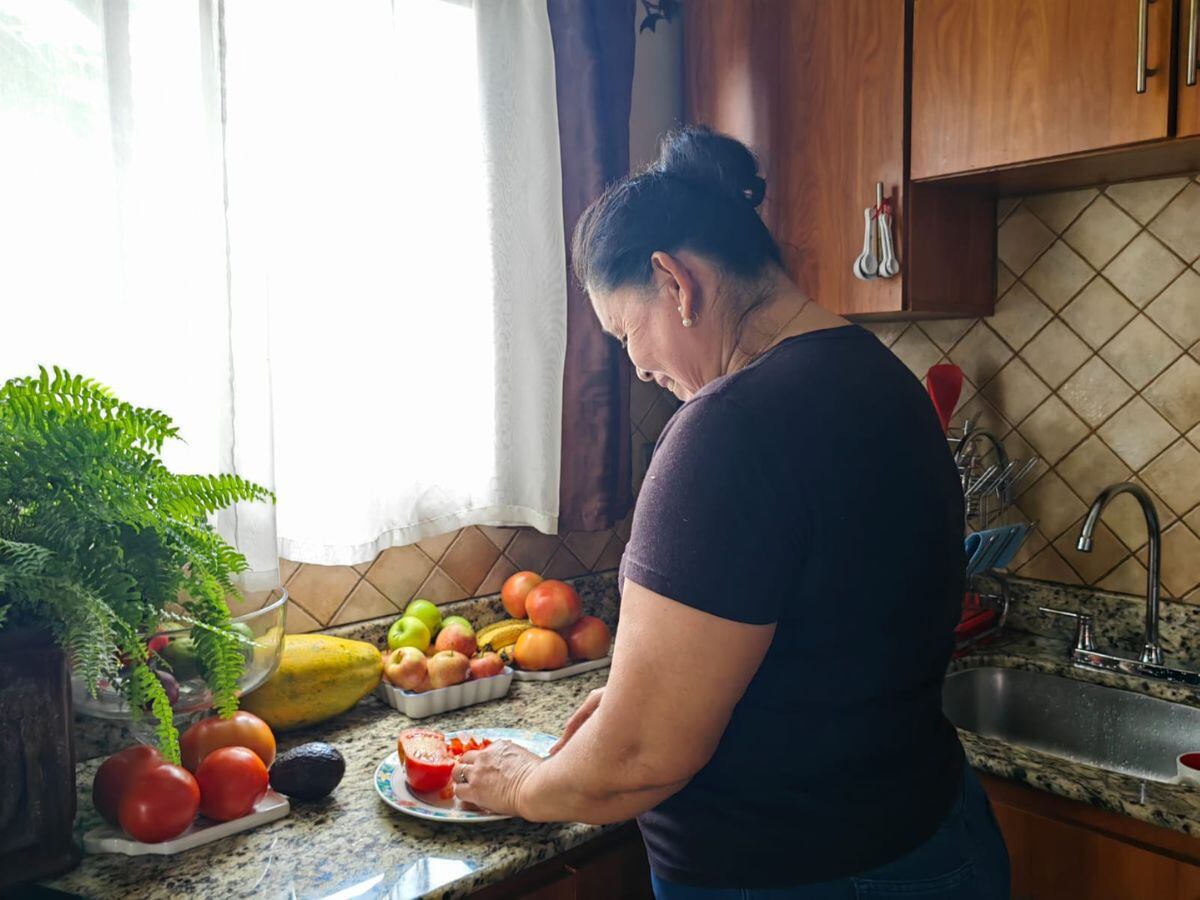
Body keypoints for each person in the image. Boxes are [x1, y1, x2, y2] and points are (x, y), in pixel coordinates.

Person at [450, 126, 1010, 899]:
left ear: (674, 283)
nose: (639, 368)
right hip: (935, 841)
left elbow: (638, 759)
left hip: (798, 875)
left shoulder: (728, 428)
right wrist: (645, 689)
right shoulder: (884, 385)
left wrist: (521, 785)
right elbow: (829, 630)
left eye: (625, 332)